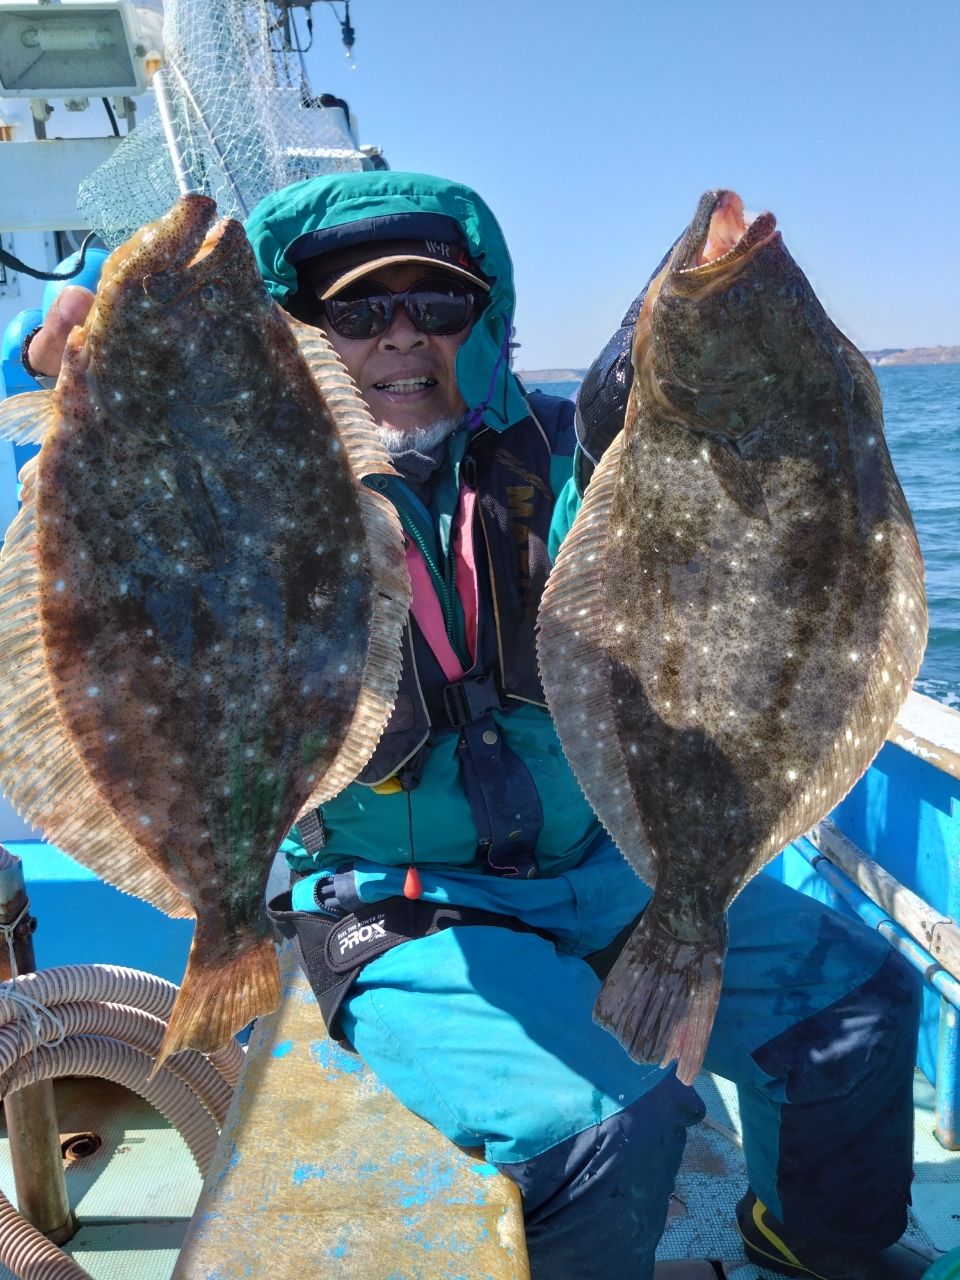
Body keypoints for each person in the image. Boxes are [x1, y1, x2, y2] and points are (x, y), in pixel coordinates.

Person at [23, 170, 932, 1280]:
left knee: (863, 1008)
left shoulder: (564, 458)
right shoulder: (233, 461)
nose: (400, 338)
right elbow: (88, 450)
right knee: (608, 1130)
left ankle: (808, 1240)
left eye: (437, 306)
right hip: (405, 913)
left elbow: (659, 454)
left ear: (485, 322)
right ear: (298, 334)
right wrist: (53, 336)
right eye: (355, 312)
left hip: (614, 879)